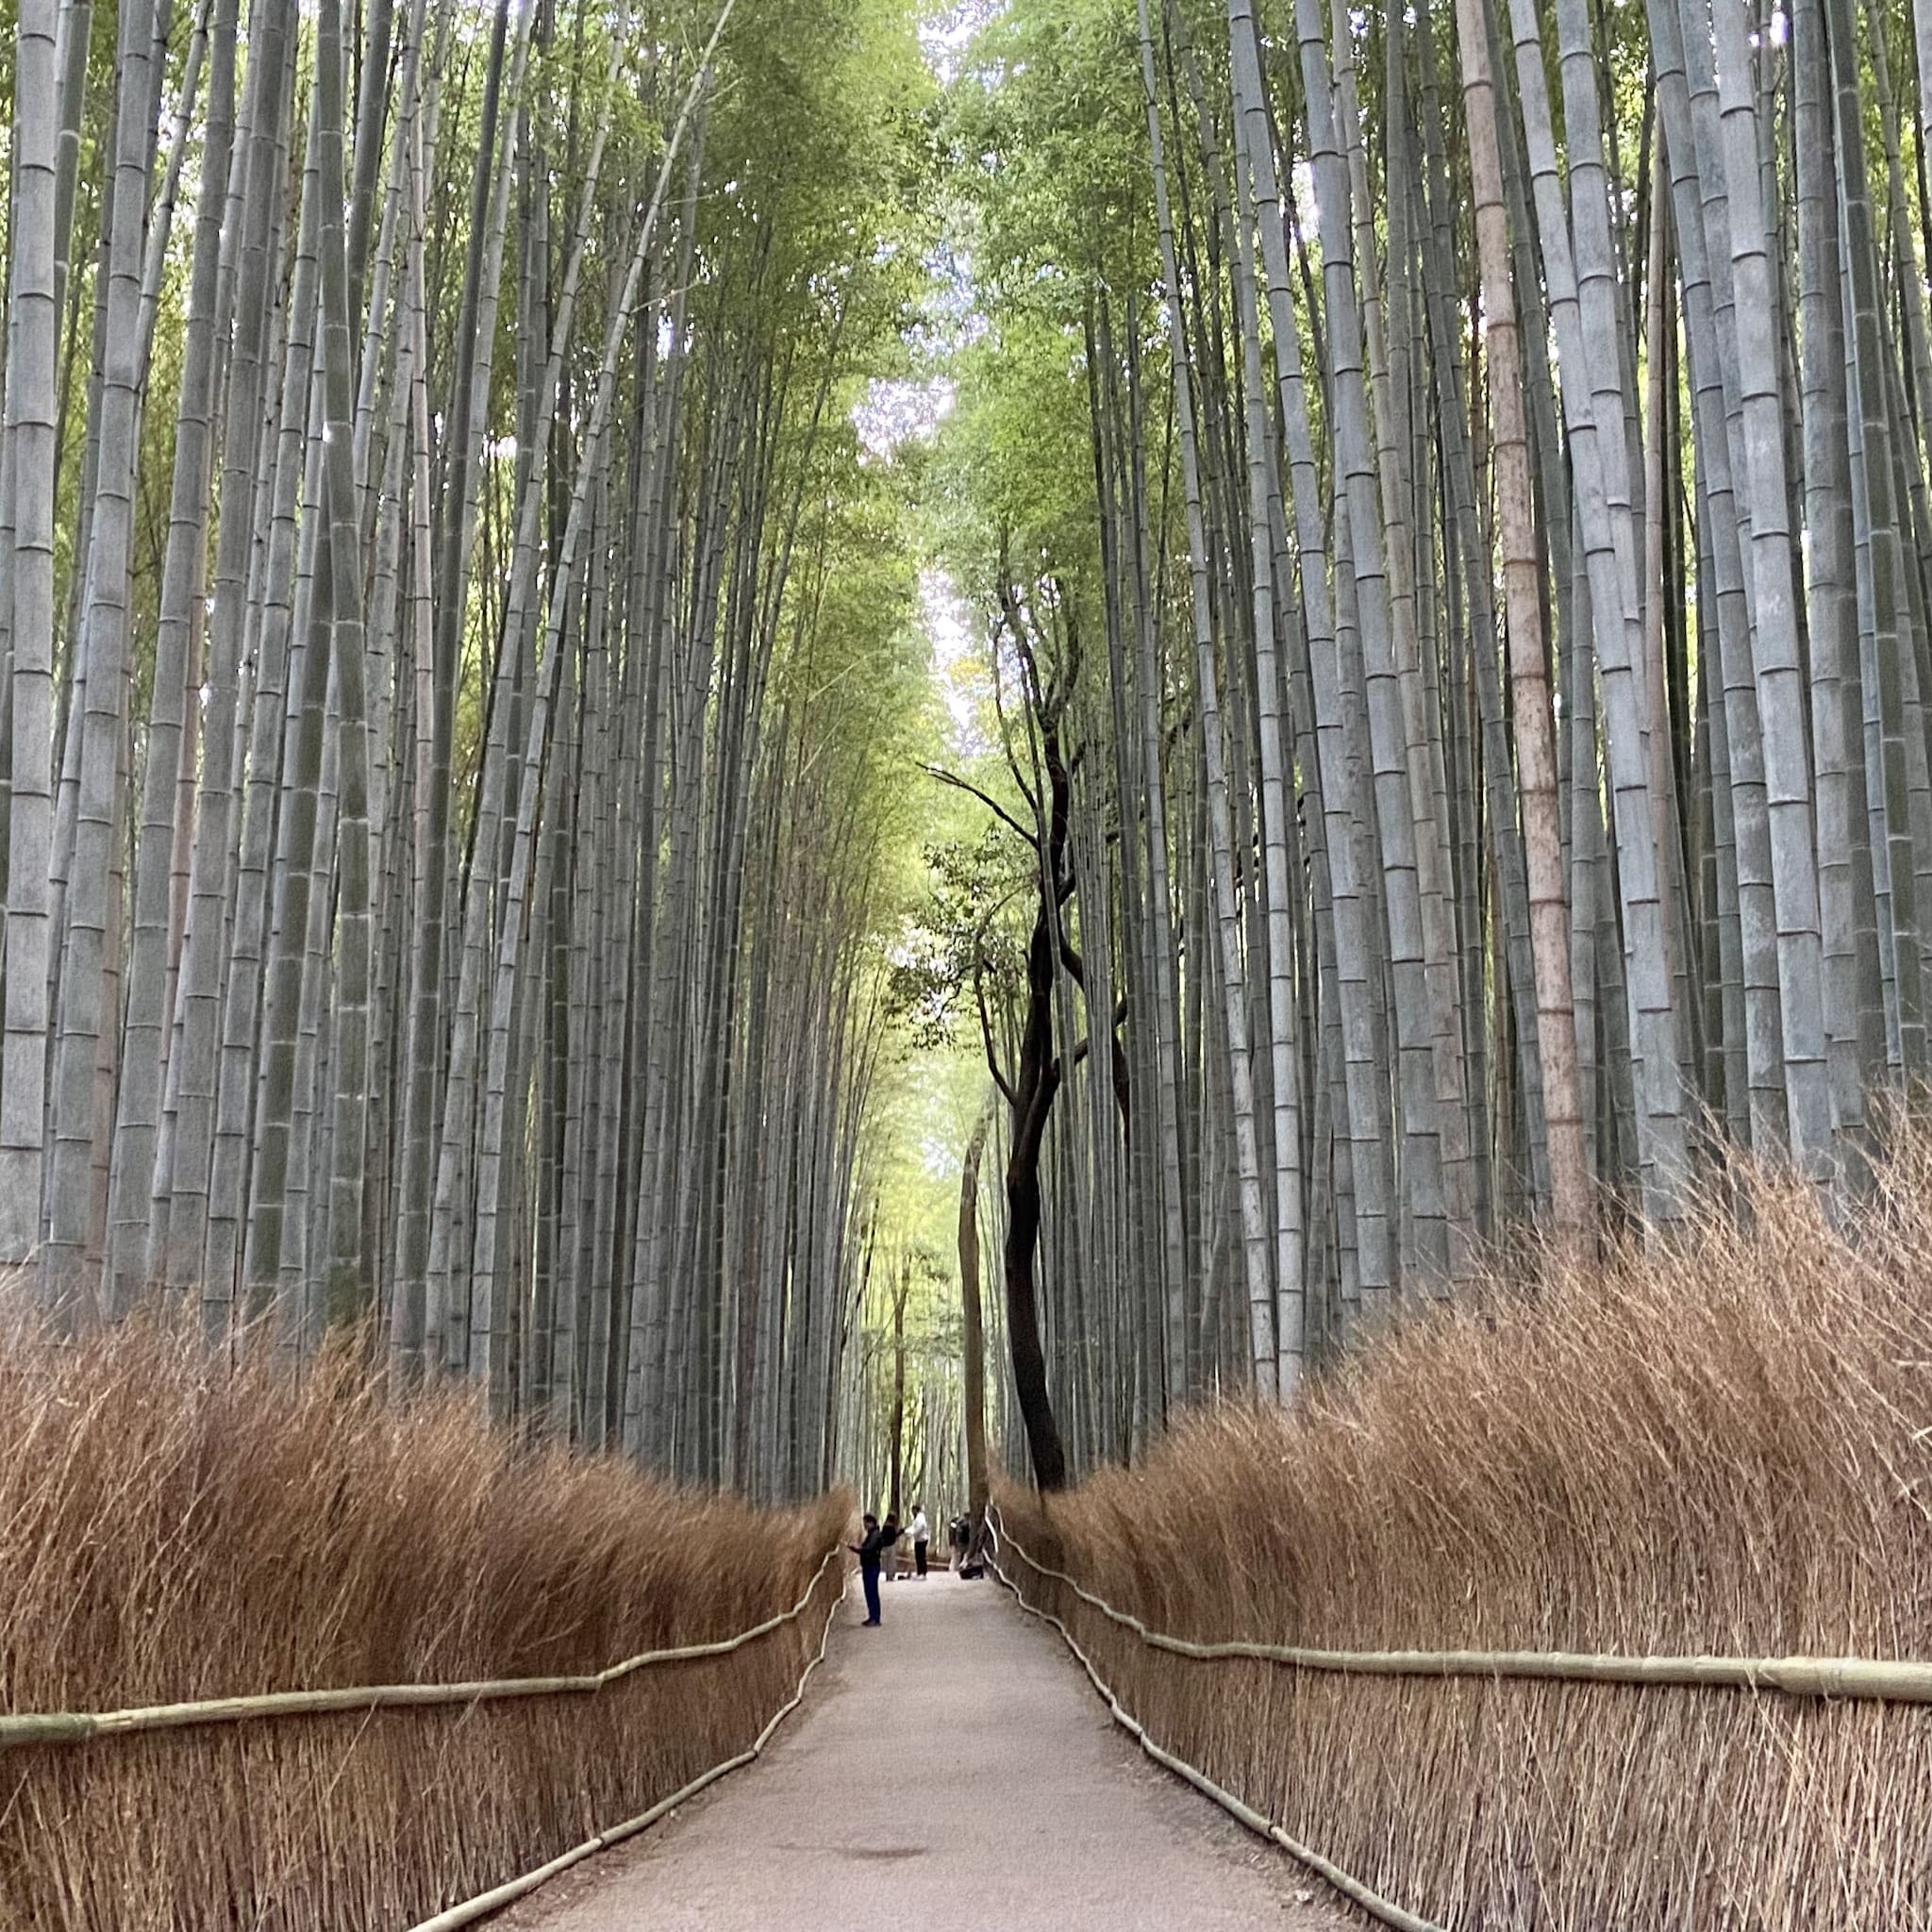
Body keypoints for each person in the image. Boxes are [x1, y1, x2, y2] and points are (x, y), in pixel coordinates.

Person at [849, 1513, 888, 1625]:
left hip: (872, 1566)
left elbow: (868, 1549)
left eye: (865, 1523)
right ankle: (872, 1616)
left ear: (871, 1523)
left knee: (872, 1591)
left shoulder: (875, 1535)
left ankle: (875, 1618)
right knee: (869, 1591)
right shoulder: (872, 1534)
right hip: (869, 1565)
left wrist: (857, 1549)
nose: (864, 1525)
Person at [909, 1503, 930, 1579]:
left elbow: (920, 1527)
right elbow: (914, 1527)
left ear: (916, 1510)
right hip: (918, 1539)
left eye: (913, 1510)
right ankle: (919, 1572)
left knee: (921, 1557)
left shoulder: (920, 1517)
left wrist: (913, 1532)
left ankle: (923, 1573)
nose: (912, 1512)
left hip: (921, 1539)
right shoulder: (917, 1517)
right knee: (918, 1557)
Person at [881, 1511, 901, 1582]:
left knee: (887, 1562)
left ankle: (888, 1575)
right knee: (891, 1562)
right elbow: (894, 1536)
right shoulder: (891, 1527)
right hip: (890, 1545)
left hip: (884, 1546)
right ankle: (890, 1576)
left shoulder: (885, 1526)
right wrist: (900, 1532)